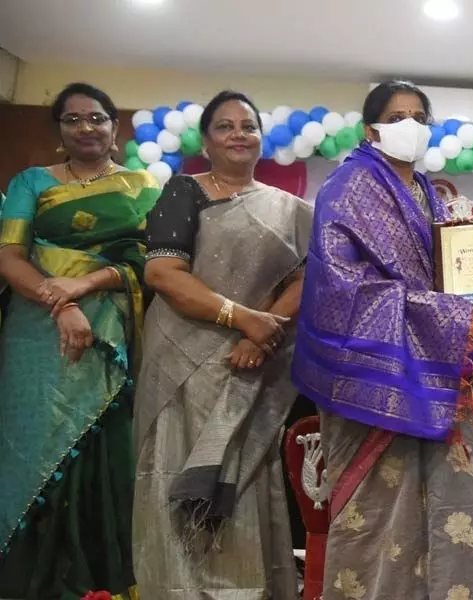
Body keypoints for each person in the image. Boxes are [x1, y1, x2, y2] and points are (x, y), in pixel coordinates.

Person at [291, 80, 473, 599]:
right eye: (395, 117)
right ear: (370, 130)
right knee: (377, 516)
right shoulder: (348, 188)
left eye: (418, 116)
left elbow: (446, 275)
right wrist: (447, 315)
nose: (408, 126)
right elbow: (342, 291)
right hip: (374, 377)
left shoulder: (426, 192)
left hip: (438, 367)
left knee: (459, 506)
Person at [132, 90, 312, 599]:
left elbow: (308, 277)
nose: (238, 134)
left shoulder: (291, 210)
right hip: (183, 365)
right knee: (175, 471)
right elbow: (163, 273)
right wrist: (242, 317)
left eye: (248, 126)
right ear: (206, 142)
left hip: (250, 367)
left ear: (261, 138)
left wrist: (264, 331)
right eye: (224, 126)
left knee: (247, 476)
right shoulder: (184, 192)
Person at [0, 82, 160, 599]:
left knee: (105, 442)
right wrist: (64, 305)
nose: (85, 127)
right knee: (30, 441)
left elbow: (151, 262)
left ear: (116, 128)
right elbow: (8, 257)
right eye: (72, 119)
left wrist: (86, 285)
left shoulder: (144, 185)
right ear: (59, 131)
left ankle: (100, 580)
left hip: (113, 327)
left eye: (96, 118)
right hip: (36, 332)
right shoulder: (32, 182)